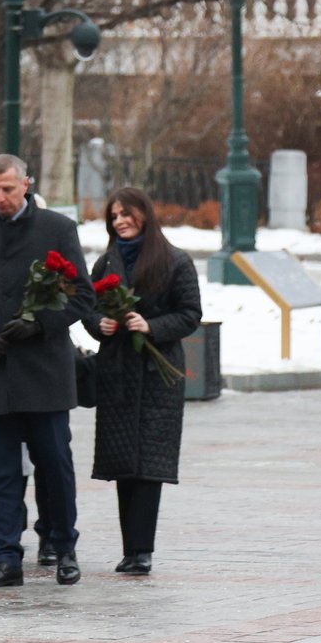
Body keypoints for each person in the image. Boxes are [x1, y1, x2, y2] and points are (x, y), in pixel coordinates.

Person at [0, 153, 96, 588]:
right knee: (0, 471)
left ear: (25, 184)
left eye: (8, 189)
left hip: (45, 371)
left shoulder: (56, 228)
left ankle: (64, 547)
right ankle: (7, 554)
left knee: (54, 463)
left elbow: (82, 296)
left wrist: (40, 324)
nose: (0, 198)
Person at [86, 187, 202, 575]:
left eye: (126, 213)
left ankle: (142, 551)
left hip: (157, 377)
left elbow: (189, 314)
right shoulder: (106, 264)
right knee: (124, 463)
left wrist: (151, 325)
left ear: (144, 215)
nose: (120, 221)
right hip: (118, 375)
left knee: (149, 464)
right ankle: (129, 549)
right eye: (114, 216)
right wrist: (99, 324)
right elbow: (87, 307)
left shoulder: (175, 262)